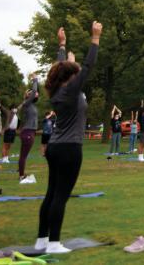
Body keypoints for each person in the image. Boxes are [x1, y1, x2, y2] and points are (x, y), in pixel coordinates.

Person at [36, 22, 100, 254]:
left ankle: (41, 239)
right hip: (70, 148)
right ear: (70, 76)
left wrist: (62, 46)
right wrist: (95, 39)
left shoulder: (57, 91)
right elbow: (88, 67)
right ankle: (53, 243)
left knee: (51, 194)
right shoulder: (71, 91)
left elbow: (59, 67)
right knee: (60, 196)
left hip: (54, 147)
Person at [18, 75, 40, 182]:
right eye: (32, 93)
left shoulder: (31, 105)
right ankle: (22, 176)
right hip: (28, 132)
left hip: (29, 132)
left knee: (23, 155)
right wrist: (35, 79)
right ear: (27, 95)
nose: (36, 93)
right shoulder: (27, 103)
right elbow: (35, 89)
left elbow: (36, 92)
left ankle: (21, 175)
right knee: (24, 155)